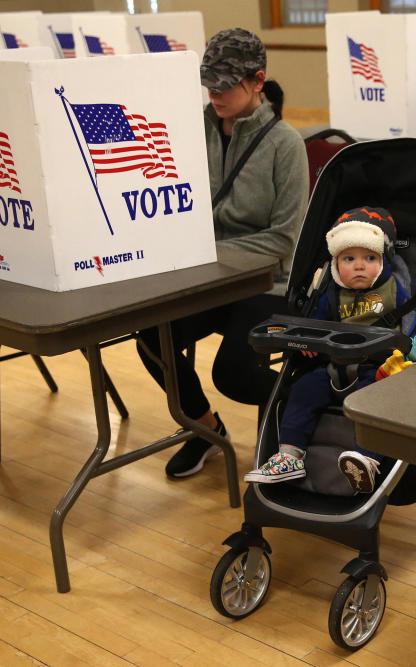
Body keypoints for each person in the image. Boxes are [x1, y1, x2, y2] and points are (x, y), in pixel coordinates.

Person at [136, 27, 309, 479]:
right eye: (209, 81)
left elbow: (283, 241)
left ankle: (314, 402)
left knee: (233, 373)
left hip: (267, 282)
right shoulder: (196, 129)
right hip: (207, 277)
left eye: (226, 83)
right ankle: (206, 432)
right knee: (153, 338)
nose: (214, 92)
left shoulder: (285, 144)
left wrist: (206, 250)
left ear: (257, 80)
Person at [243, 206, 416, 493]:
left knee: (381, 403)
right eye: (349, 259)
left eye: (369, 258)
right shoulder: (332, 293)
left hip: (380, 371)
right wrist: (309, 342)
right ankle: (290, 455)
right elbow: (315, 324)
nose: (359, 266)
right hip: (332, 367)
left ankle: (367, 463)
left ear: (383, 260)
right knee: (303, 390)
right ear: (335, 264)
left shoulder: (397, 289)